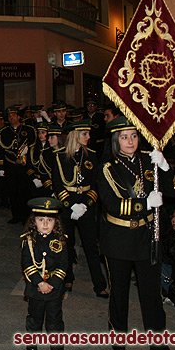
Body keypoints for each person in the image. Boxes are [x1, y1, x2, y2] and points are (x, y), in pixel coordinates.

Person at [97, 116, 175, 350]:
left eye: (133, 136)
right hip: (119, 238)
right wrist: (145, 204)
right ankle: (118, 334)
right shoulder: (107, 167)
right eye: (124, 137)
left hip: (146, 236)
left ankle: (157, 341)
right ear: (115, 140)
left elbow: (171, 191)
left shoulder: (147, 160)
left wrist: (164, 167)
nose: (130, 141)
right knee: (119, 292)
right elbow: (112, 204)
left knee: (151, 294)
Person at [52, 120, 108, 297]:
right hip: (68, 206)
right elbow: (57, 184)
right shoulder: (60, 156)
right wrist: (70, 205)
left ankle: (99, 284)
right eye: (85, 134)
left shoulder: (91, 155)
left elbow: (95, 184)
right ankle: (67, 277)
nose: (89, 137)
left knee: (91, 246)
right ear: (75, 135)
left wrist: (85, 204)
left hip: (85, 205)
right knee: (66, 244)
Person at [21, 198, 68, 350]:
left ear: (56, 222)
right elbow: (27, 264)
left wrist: (52, 283)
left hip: (54, 288)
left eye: (50, 220)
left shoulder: (60, 240)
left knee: (54, 319)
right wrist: (40, 283)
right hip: (36, 287)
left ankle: (56, 346)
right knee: (35, 317)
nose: (46, 224)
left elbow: (63, 265)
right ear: (34, 221)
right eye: (41, 220)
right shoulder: (28, 240)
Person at [0, 106, 36, 224]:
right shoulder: (4, 132)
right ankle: (16, 216)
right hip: (11, 166)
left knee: (25, 192)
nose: (11, 117)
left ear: (19, 116)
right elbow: (0, 150)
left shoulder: (28, 130)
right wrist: (1, 166)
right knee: (12, 192)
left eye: (13, 115)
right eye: (9, 116)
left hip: (24, 167)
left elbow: (34, 147)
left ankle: (26, 217)